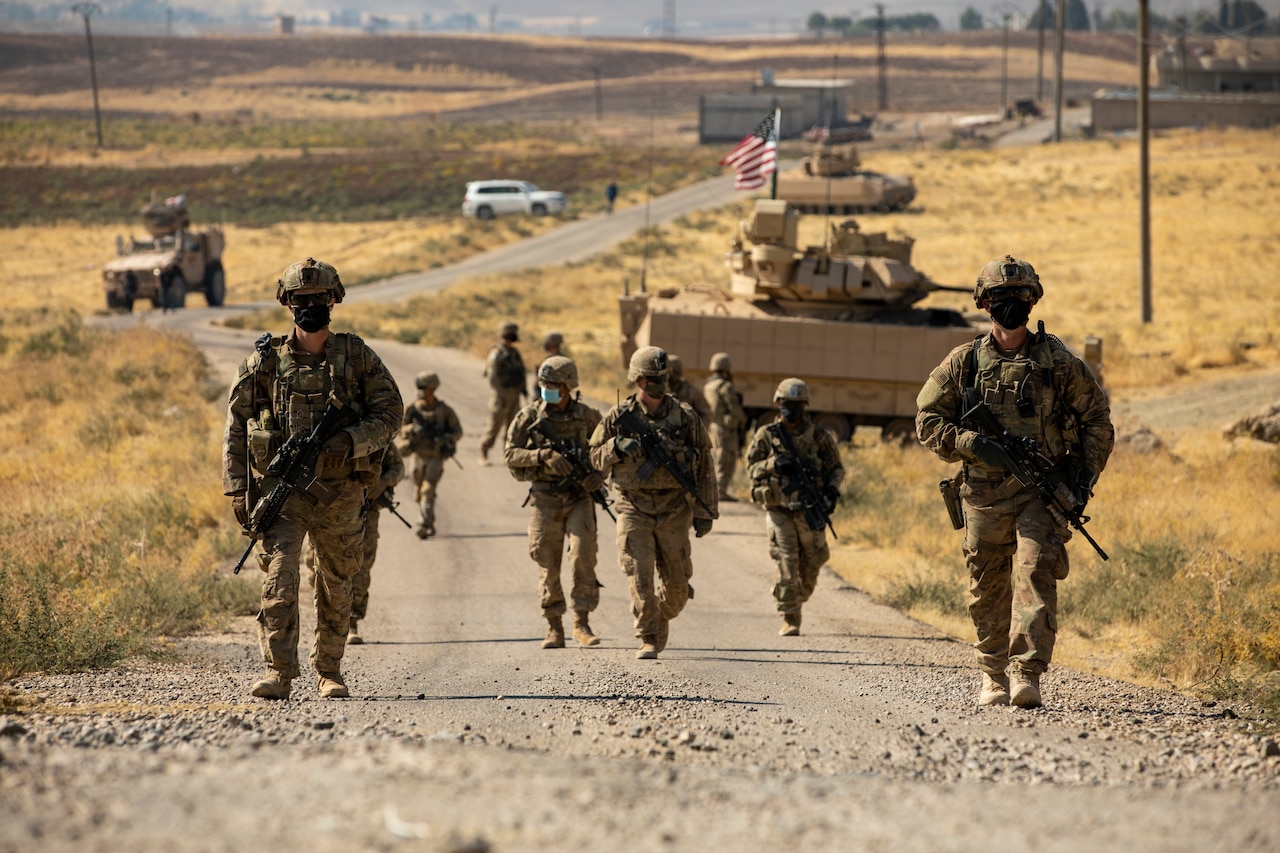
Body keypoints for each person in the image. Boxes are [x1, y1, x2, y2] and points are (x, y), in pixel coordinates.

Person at [916, 255, 1113, 709]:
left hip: (1040, 494)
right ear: (985, 303)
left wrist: (1082, 477)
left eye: (1020, 297)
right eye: (1001, 297)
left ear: (1033, 300)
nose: (1011, 305)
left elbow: (1097, 421)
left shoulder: (1057, 362)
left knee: (1035, 572)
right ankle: (992, 673)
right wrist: (971, 443)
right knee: (987, 585)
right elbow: (926, 420)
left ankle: (1027, 673)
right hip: (983, 494)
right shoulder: (965, 361)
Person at [223, 257, 403, 700]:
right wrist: (238, 490)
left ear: (333, 301)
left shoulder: (356, 357)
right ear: (288, 304)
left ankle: (330, 671)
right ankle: (279, 672)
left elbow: (391, 411)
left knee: (335, 583)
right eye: (301, 300)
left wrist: (351, 441)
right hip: (282, 493)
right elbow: (236, 428)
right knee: (279, 580)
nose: (310, 307)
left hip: (340, 491)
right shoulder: (264, 363)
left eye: (318, 299)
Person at [590, 346, 717, 659]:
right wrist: (615, 448)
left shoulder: (685, 416)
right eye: (650, 379)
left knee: (678, 586)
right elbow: (593, 457)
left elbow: (705, 466)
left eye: (662, 378)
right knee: (639, 573)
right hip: (633, 506)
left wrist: (705, 512)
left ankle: (659, 617)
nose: (657, 384)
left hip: (675, 509)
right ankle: (648, 634)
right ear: (637, 380)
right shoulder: (619, 416)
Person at [504, 356, 606, 649]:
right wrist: (542, 456)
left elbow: (607, 451)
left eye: (554, 384)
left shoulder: (588, 417)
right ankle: (554, 627)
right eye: (545, 383)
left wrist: (597, 476)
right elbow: (510, 454)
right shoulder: (529, 417)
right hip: (545, 498)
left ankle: (581, 622)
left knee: (583, 556)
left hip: (578, 498)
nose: (548, 388)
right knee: (547, 563)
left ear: (568, 386)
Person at [746, 378, 844, 637]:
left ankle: (793, 597)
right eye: (788, 404)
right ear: (778, 404)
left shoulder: (819, 436)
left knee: (813, 563)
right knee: (787, 563)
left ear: (805, 406)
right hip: (779, 509)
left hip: (810, 508)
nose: (792, 409)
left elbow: (835, 468)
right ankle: (790, 616)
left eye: (797, 404)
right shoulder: (766, 436)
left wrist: (832, 490)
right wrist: (773, 465)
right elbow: (750, 469)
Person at [303, 442, 406, 645]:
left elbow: (398, 468)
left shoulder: (377, 437)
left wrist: (383, 482)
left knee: (360, 567)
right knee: (314, 566)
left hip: (366, 512)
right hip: (327, 510)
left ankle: (351, 622)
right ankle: (325, 618)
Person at [399, 371, 463, 539]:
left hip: (435, 456)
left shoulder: (444, 410)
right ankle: (429, 520)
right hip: (418, 455)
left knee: (428, 489)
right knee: (419, 490)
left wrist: (445, 438)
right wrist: (412, 429)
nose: (420, 390)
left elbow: (458, 431)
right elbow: (400, 429)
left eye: (423, 387)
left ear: (432, 389)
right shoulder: (412, 409)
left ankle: (423, 524)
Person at [478, 322, 527, 465]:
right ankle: (483, 452)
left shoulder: (514, 353)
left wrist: (523, 389)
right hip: (501, 395)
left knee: (512, 428)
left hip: (514, 394)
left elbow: (521, 372)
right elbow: (492, 377)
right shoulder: (496, 353)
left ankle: (507, 455)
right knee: (494, 427)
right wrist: (499, 394)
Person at [703, 352, 747, 502]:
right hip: (726, 429)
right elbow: (734, 408)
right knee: (725, 458)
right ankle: (720, 491)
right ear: (726, 369)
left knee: (717, 457)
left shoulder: (708, 385)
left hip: (714, 426)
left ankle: (715, 489)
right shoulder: (725, 386)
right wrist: (741, 419)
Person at [668, 354, 711, 425]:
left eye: (672, 372)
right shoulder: (662, 390)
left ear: (678, 373)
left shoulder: (691, 392)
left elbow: (706, 414)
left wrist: (696, 430)